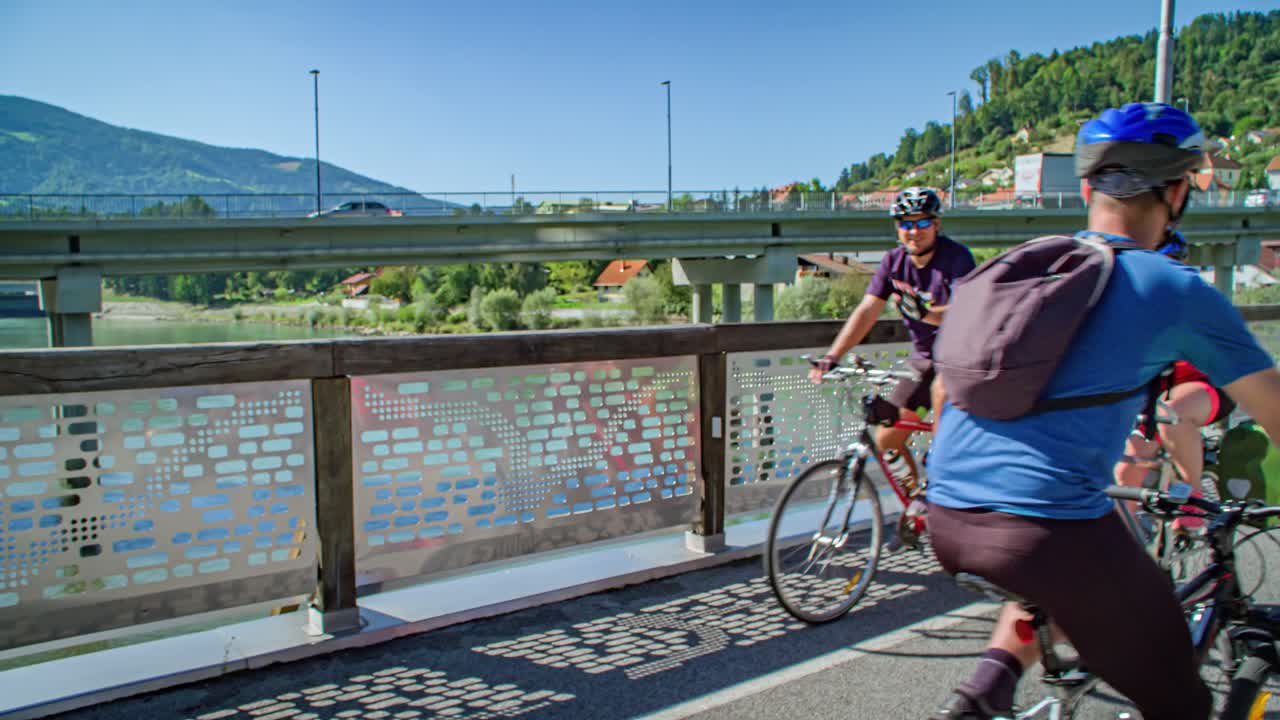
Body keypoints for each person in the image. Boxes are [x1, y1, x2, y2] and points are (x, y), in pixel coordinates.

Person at [925, 102, 1280, 720]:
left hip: (946, 513)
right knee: (1182, 702)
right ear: (1177, 191)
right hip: (1044, 530)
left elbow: (940, 391)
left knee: (1056, 585)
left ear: (1087, 187)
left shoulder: (1023, 267)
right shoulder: (1174, 287)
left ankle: (984, 691)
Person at [809, 187, 976, 508]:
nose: (914, 231)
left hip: (961, 359)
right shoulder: (893, 262)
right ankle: (918, 506)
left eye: (922, 222)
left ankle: (945, 492)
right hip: (924, 359)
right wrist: (833, 356)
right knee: (887, 438)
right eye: (905, 223)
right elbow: (867, 311)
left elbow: (968, 310)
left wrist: (927, 313)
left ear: (937, 224)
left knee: (943, 426)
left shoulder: (957, 259)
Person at [1114, 230, 1236, 530]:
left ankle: (1191, 495)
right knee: (1126, 471)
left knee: (1174, 410)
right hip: (1157, 394)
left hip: (1208, 386)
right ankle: (1125, 541)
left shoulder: (1195, 299)